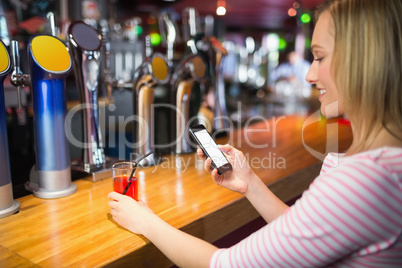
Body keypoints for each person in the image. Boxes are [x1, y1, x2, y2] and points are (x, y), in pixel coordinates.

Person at [108, 0, 402, 266]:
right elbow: (306, 237)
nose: (309, 75)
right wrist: (250, 183)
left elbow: (226, 265)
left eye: (320, 58)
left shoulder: (367, 180)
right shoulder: (374, 163)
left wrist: (145, 221)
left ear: (363, 60)